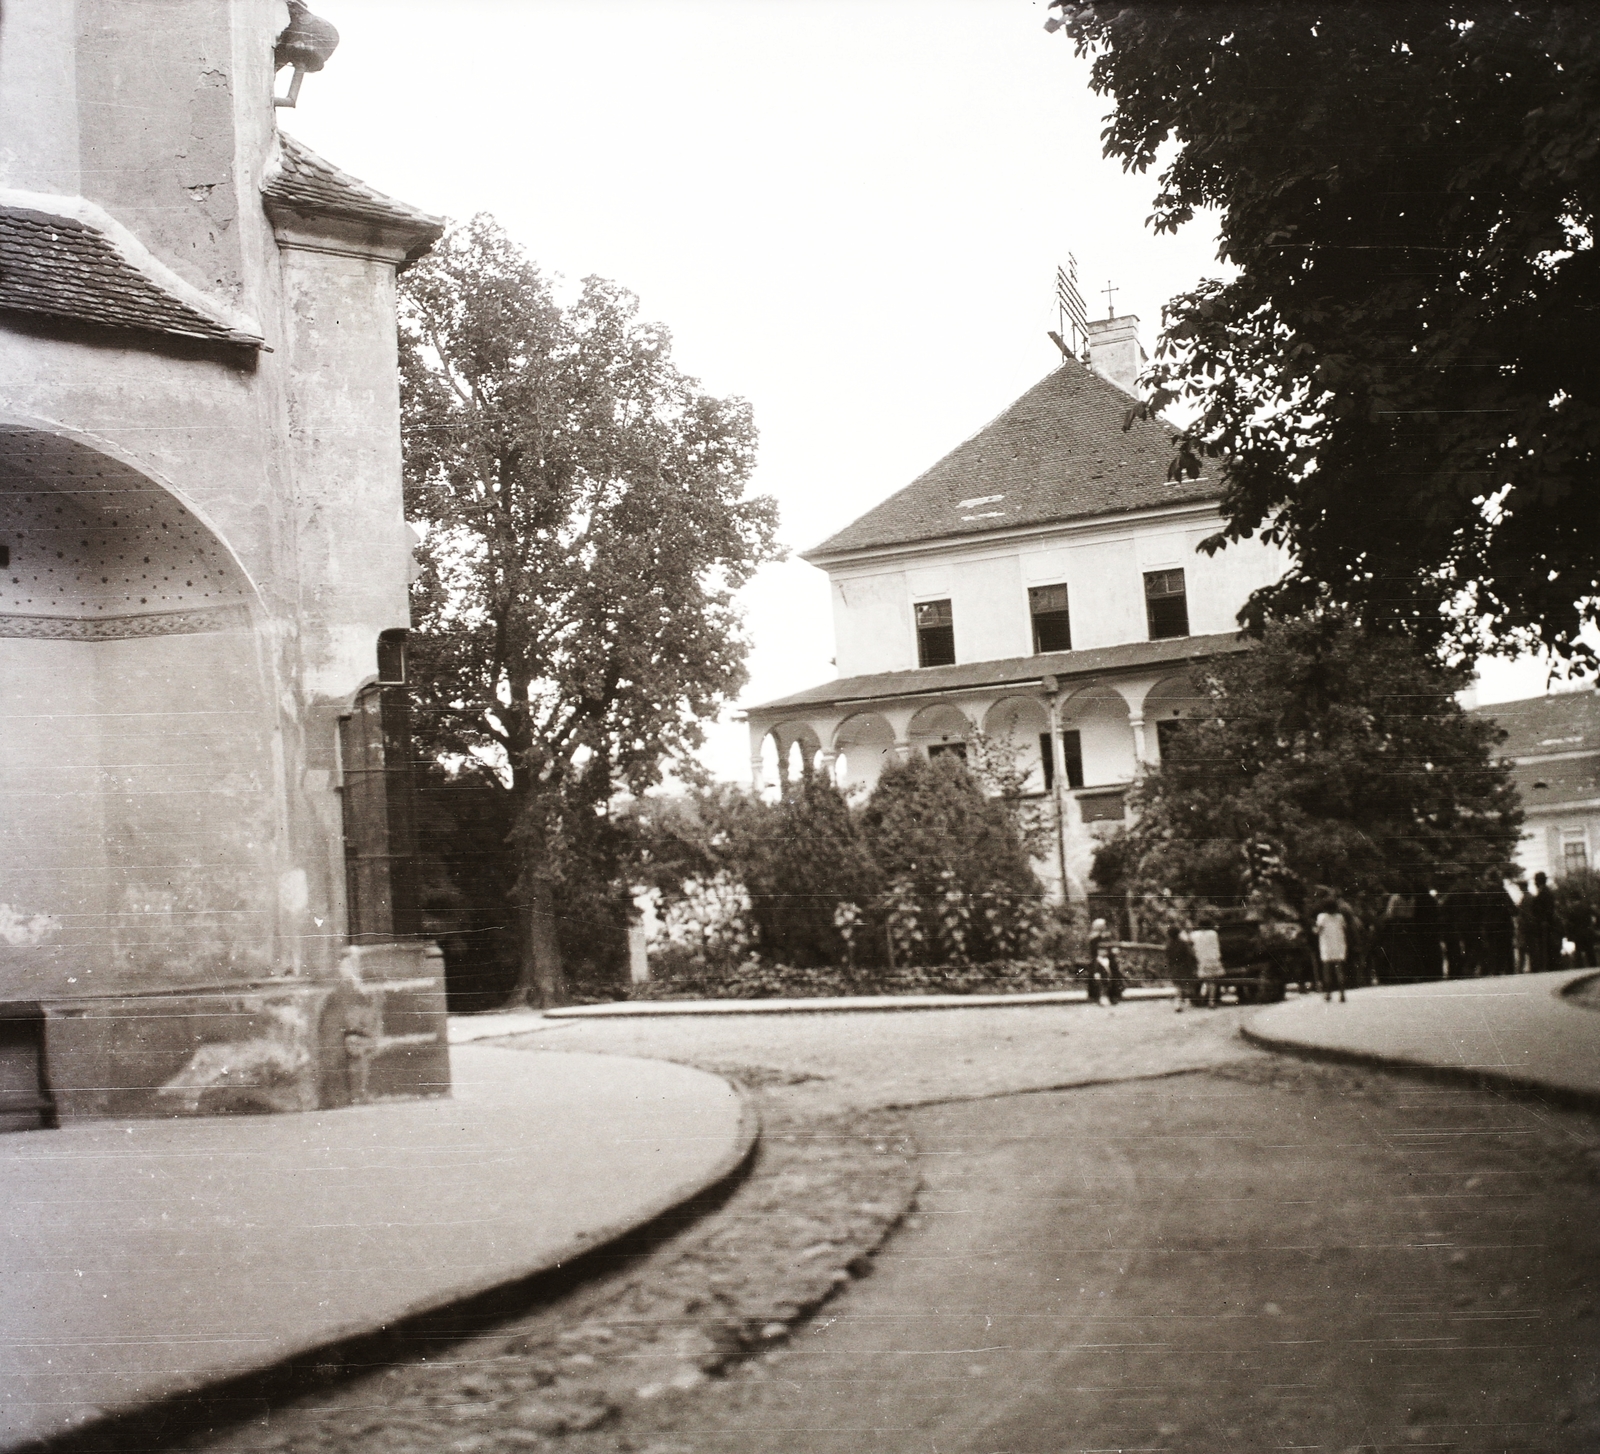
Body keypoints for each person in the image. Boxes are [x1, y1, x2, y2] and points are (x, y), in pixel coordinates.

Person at [1314, 896, 1350, 1003]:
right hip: (1339, 945)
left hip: (1327, 945)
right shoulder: (1340, 917)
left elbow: (1318, 930)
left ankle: (1328, 993)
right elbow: (1344, 927)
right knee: (1339, 969)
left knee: (1327, 970)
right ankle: (1342, 993)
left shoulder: (1322, 917)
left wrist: (1313, 930)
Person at [1189, 913, 1224, 1008]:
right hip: (1213, 959)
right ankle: (1211, 1001)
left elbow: (1190, 941)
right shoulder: (1213, 934)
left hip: (1200, 959)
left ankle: (1202, 997)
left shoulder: (1194, 934)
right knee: (1212, 981)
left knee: (1203, 979)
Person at [1165, 923, 1199, 1011]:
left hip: (1174, 968)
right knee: (1185, 986)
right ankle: (1181, 1003)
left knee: (1178, 987)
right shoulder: (1183, 944)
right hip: (1184, 967)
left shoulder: (1168, 945)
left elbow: (1167, 958)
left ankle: (1180, 1003)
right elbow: (1189, 955)